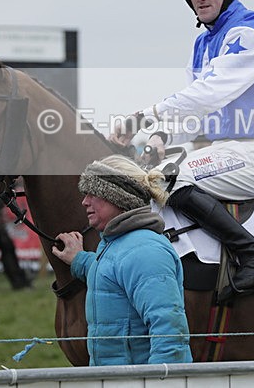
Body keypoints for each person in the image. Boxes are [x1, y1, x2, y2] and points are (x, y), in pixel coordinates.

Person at [109, 0, 254, 301]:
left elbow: (211, 92)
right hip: (224, 149)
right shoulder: (202, 44)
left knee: (169, 177)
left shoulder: (250, 30)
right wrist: (162, 136)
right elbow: (193, 108)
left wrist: (144, 117)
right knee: (149, 176)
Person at [52, 155, 192, 365]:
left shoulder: (145, 250)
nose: (85, 201)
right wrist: (80, 260)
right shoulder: (118, 245)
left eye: (93, 193)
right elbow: (111, 275)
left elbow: (170, 335)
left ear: (118, 197)